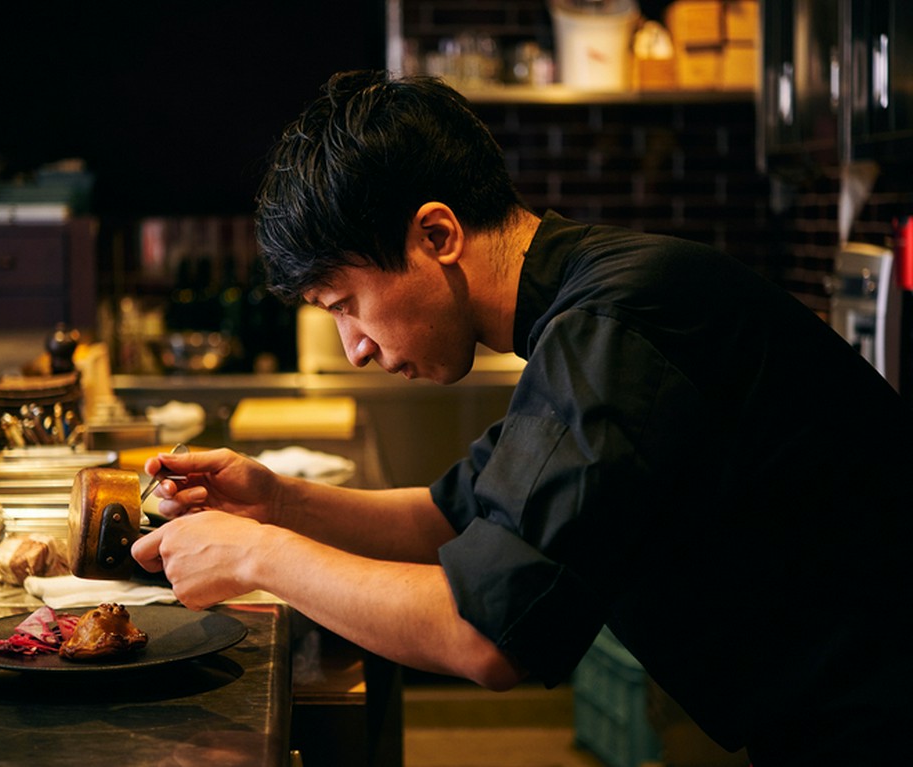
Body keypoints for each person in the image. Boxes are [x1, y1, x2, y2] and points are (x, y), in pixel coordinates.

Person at [132, 70, 913, 765]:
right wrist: (278, 502)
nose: (356, 348)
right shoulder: (585, 301)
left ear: (436, 235)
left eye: (348, 305)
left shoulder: (612, 324)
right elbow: (454, 514)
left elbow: (487, 633)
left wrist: (258, 557)